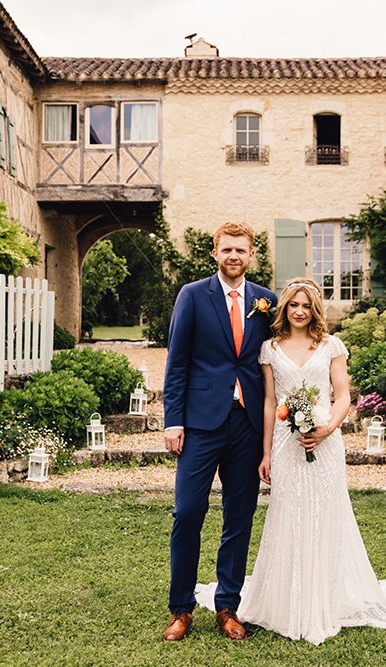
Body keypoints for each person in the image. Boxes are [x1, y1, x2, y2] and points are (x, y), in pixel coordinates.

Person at [195, 277, 386, 645]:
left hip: (324, 440)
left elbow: (343, 395)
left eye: (306, 306)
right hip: (286, 444)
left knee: (325, 513)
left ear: (314, 310)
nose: (299, 312)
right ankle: (286, 602)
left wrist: (327, 429)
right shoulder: (269, 348)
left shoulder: (331, 345)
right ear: (284, 308)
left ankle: (325, 599)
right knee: (287, 514)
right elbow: (270, 402)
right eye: (293, 305)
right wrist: (267, 452)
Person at [162, 221, 277, 642]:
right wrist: (173, 420)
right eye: (226, 250)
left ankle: (228, 605)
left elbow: (280, 358)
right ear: (215, 253)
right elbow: (177, 362)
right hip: (199, 424)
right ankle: (181, 609)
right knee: (187, 512)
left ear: (251, 255)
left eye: (241, 250)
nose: (234, 256)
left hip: (246, 424)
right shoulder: (193, 295)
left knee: (239, 516)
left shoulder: (266, 300)